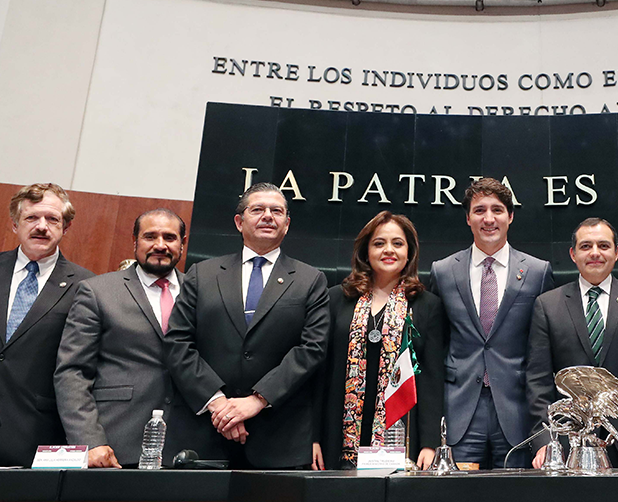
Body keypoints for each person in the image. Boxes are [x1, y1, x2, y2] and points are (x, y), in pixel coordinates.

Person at [165, 182, 329, 469]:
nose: (268, 216)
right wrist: (219, 405)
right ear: (239, 222)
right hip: (205, 429)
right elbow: (178, 343)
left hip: (279, 436)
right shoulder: (201, 274)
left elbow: (311, 349)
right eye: (258, 209)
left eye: (276, 211)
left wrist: (256, 400)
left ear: (287, 224)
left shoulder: (310, 280)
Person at [54, 209, 220, 468]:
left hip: (190, 448)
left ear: (182, 244)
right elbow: (72, 372)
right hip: (116, 442)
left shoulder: (207, 294)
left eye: (170, 237)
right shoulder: (98, 292)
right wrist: (90, 441)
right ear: (135, 241)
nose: (160, 245)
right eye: (150, 236)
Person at [526, 218, 618, 470]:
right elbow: (537, 383)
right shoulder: (547, 306)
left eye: (603, 245)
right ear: (573, 254)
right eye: (586, 246)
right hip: (566, 449)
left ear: (616, 253)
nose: (595, 253)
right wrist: (545, 441)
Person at [429, 178, 554, 468]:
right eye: (479, 210)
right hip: (459, 408)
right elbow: (437, 341)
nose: (488, 219)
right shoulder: (444, 271)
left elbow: (545, 348)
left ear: (510, 216)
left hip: (518, 409)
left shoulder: (537, 271)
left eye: (497, 210)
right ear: (468, 218)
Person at [314, 211, 445, 470]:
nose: (389, 250)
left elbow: (432, 379)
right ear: (365, 252)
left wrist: (430, 443)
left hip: (403, 436)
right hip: (336, 434)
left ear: (410, 253)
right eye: (379, 243)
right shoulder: (336, 299)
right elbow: (319, 374)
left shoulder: (428, 305)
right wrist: (313, 438)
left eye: (398, 243)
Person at [0, 183, 93, 466]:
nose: (42, 226)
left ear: (65, 228)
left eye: (52, 219)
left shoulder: (86, 286)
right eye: (31, 218)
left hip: (35, 434)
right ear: (15, 224)